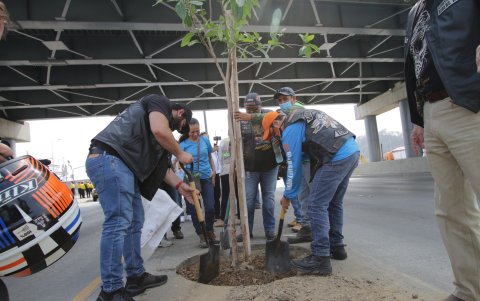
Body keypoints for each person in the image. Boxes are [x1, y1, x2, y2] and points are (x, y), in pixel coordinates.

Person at [85, 94, 195, 301]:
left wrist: (181, 186)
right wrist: (180, 153)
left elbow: (161, 170)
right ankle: (111, 291)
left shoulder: (161, 138)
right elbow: (160, 130)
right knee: (118, 223)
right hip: (109, 159)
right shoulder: (158, 102)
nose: (175, 131)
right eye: (181, 126)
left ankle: (135, 277)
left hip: (124, 167)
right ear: (180, 112)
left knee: (136, 221)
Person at [404, 1, 480, 300]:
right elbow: (414, 64)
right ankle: (469, 291)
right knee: (451, 211)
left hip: (468, 104)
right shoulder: (414, 12)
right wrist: (418, 119)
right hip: (432, 112)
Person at [261, 108, 359, 276]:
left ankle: (320, 258)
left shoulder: (289, 128)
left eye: (271, 134)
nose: (273, 138)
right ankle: (337, 247)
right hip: (351, 151)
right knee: (334, 203)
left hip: (336, 157)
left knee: (316, 205)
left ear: (276, 124)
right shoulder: (301, 115)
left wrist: (288, 196)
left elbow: (293, 166)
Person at [236, 92, 279, 242]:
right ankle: (247, 231)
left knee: (268, 200)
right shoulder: (241, 121)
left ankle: (270, 231)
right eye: (249, 110)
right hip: (250, 168)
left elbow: (278, 116)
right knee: (248, 201)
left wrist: (252, 117)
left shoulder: (269, 116)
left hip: (270, 167)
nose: (251, 112)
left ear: (261, 107)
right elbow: (236, 143)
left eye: (255, 109)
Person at [179, 118, 218, 248]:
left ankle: (210, 230)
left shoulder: (205, 140)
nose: (195, 134)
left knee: (210, 206)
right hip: (191, 180)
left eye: (197, 131)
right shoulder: (183, 145)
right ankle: (201, 234)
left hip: (206, 177)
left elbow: (209, 157)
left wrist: (214, 171)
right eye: (192, 132)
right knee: (195, 209)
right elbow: (180, 163)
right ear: (187, 132)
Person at [211, 143, 222, 220]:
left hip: (218, 173)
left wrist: (219, 150)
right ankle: (213, 214)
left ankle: (217, 213)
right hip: (210, 174)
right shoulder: (209, 151)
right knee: (212, 195)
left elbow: (225, 156)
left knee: (217, 194)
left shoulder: (216, 152)